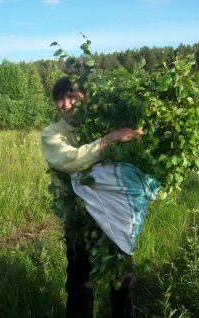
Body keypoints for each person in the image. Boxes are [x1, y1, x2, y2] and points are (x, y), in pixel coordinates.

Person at [41, 76, 143, 318]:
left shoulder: (99, 125)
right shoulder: (52, 134)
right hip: (79, 220)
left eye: (71, 96)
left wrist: (135, 133)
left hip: (116, 217)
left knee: (122, 280)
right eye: (59, 98)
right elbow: (71, 159)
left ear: (85, 98)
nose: (65, 103)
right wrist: (111, 138)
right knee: (80, 285)